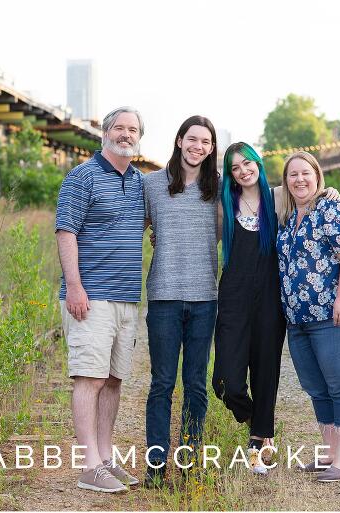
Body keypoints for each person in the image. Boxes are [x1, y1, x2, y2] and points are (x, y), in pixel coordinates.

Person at [55, 106, 146, 493]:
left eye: (133, 129)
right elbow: (65, 231)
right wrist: (74, 286)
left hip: (127, 298)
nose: (126, 134)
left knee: (113, 380)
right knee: (89, 378)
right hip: (91, 296)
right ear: (104, 132)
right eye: (119, 128)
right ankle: (88, 465)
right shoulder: (82, 177)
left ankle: (106, 459)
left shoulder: (141, 181)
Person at [276, 151, 340, 483]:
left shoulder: (330, 209)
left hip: (335, 315)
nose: (300, 180)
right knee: (317, 388)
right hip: (299, 320)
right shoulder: (288, 217)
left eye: (306, 173)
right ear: (285, 182)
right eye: (293, 175)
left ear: (317, 176)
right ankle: (330, 455)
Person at [143, 115, 220, 487]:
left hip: (206, 298)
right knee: (161, 383)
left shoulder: (220, 189)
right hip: (164, 297)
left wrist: (326, 192)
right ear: (178, 140)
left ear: (211, 148)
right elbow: (125, 225)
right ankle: (155, 467)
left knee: (195, 384)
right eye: (193, 139)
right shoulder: (152, 185)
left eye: (206, 142)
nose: (198, 147)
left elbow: (262, 206)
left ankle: (189, 461)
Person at [211, 142, 287, 476]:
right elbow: (200, 236)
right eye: (235, 167)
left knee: (265, 370)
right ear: (230, 175)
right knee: (226, 382)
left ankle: (258, 440)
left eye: (248, 163)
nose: (244, 170)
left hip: (271, 298)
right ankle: (258, 419)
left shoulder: (279, 197)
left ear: (258, 162)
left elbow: (311, 190)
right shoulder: (225, 204)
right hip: (234, 298)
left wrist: (330, 193)